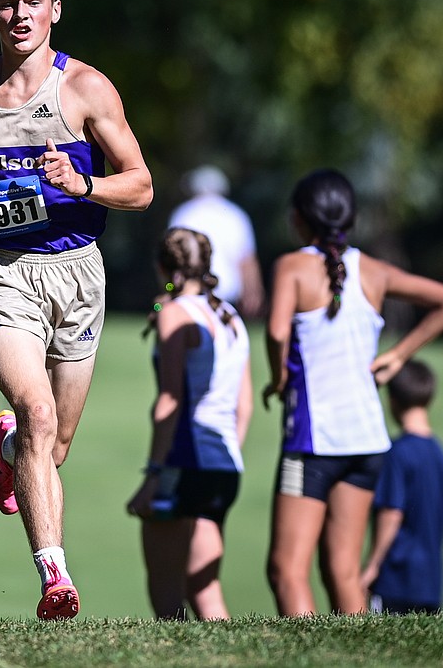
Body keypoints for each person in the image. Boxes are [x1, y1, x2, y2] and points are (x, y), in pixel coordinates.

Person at [0, 0, 154, 620]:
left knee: (50, 446)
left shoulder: (85, 88)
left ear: (56, 8)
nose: (20, 14)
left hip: (77, 274)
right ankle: (55, 577)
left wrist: (82, 181)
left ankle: (9, 446)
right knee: (39, 413)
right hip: (0, 273)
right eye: (7, 3)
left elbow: (141, 186)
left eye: (33, 1)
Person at [262, 168, 443, 617]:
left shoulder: (292, 266)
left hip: (312, 444)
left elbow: (277, 331)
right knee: (344, 570)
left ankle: (306, 658)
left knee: (286, 570)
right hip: (369, 442)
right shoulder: (374, 270)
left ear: (298, 219)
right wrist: (399, 354)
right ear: (349, 220)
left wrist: (277, 379)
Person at [126, 227, 252, 620]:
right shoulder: (230, 316)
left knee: (167, 594)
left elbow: (170, 400)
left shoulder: (175, 314)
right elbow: (243, 405)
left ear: (162, 266)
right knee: (205, 589)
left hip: (182, 459)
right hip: (224, 464)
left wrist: (153, 475)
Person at [361, 359, 443, 615]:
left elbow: (391, 512)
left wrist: (372, 566)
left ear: (392, 402)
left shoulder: (397, 453)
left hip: (396, 578)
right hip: (431, 581)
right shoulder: (439, 454)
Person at [168, 165, 264, 319]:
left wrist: (170, 288)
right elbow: (246, 259)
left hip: (190, 292)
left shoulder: (183, 213)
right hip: (227, 292)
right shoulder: (235, 215)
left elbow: (173, 258)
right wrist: (253, 292)